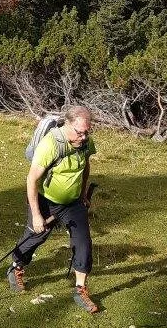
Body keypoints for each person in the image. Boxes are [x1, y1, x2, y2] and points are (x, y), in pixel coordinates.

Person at [7, 106, 99, 313]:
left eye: (87, 132)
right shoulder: (51, 144)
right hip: (46, 200)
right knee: (37, 236)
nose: (84, 137)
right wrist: (38, 215)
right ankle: (16, 268)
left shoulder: (85, 142)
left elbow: (85, 166)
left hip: (73, 202)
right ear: (67, 124)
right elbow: (31, 179)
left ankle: (80, 290)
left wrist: (83, 193)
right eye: (79, 132)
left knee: (83, 242)